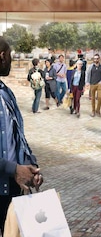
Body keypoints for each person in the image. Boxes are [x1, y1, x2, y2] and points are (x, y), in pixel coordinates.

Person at [0, 37, 43, 229]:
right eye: (9, 55)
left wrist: (30, 166)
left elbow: (16, 138)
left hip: (10, 190)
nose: (10, 59)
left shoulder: (5, 92)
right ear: (2, 56)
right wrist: (13, 169)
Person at [85, 53, 101, 117]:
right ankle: (93, 111)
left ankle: (98, 110)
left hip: (99, 84)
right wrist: (87, 82)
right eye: (94, 58)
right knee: (93, 98)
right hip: (92, 84)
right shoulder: (91, 66)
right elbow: (88, 74)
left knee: (100, 97)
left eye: (97, 58)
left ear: (99, 59)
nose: (96, 60)